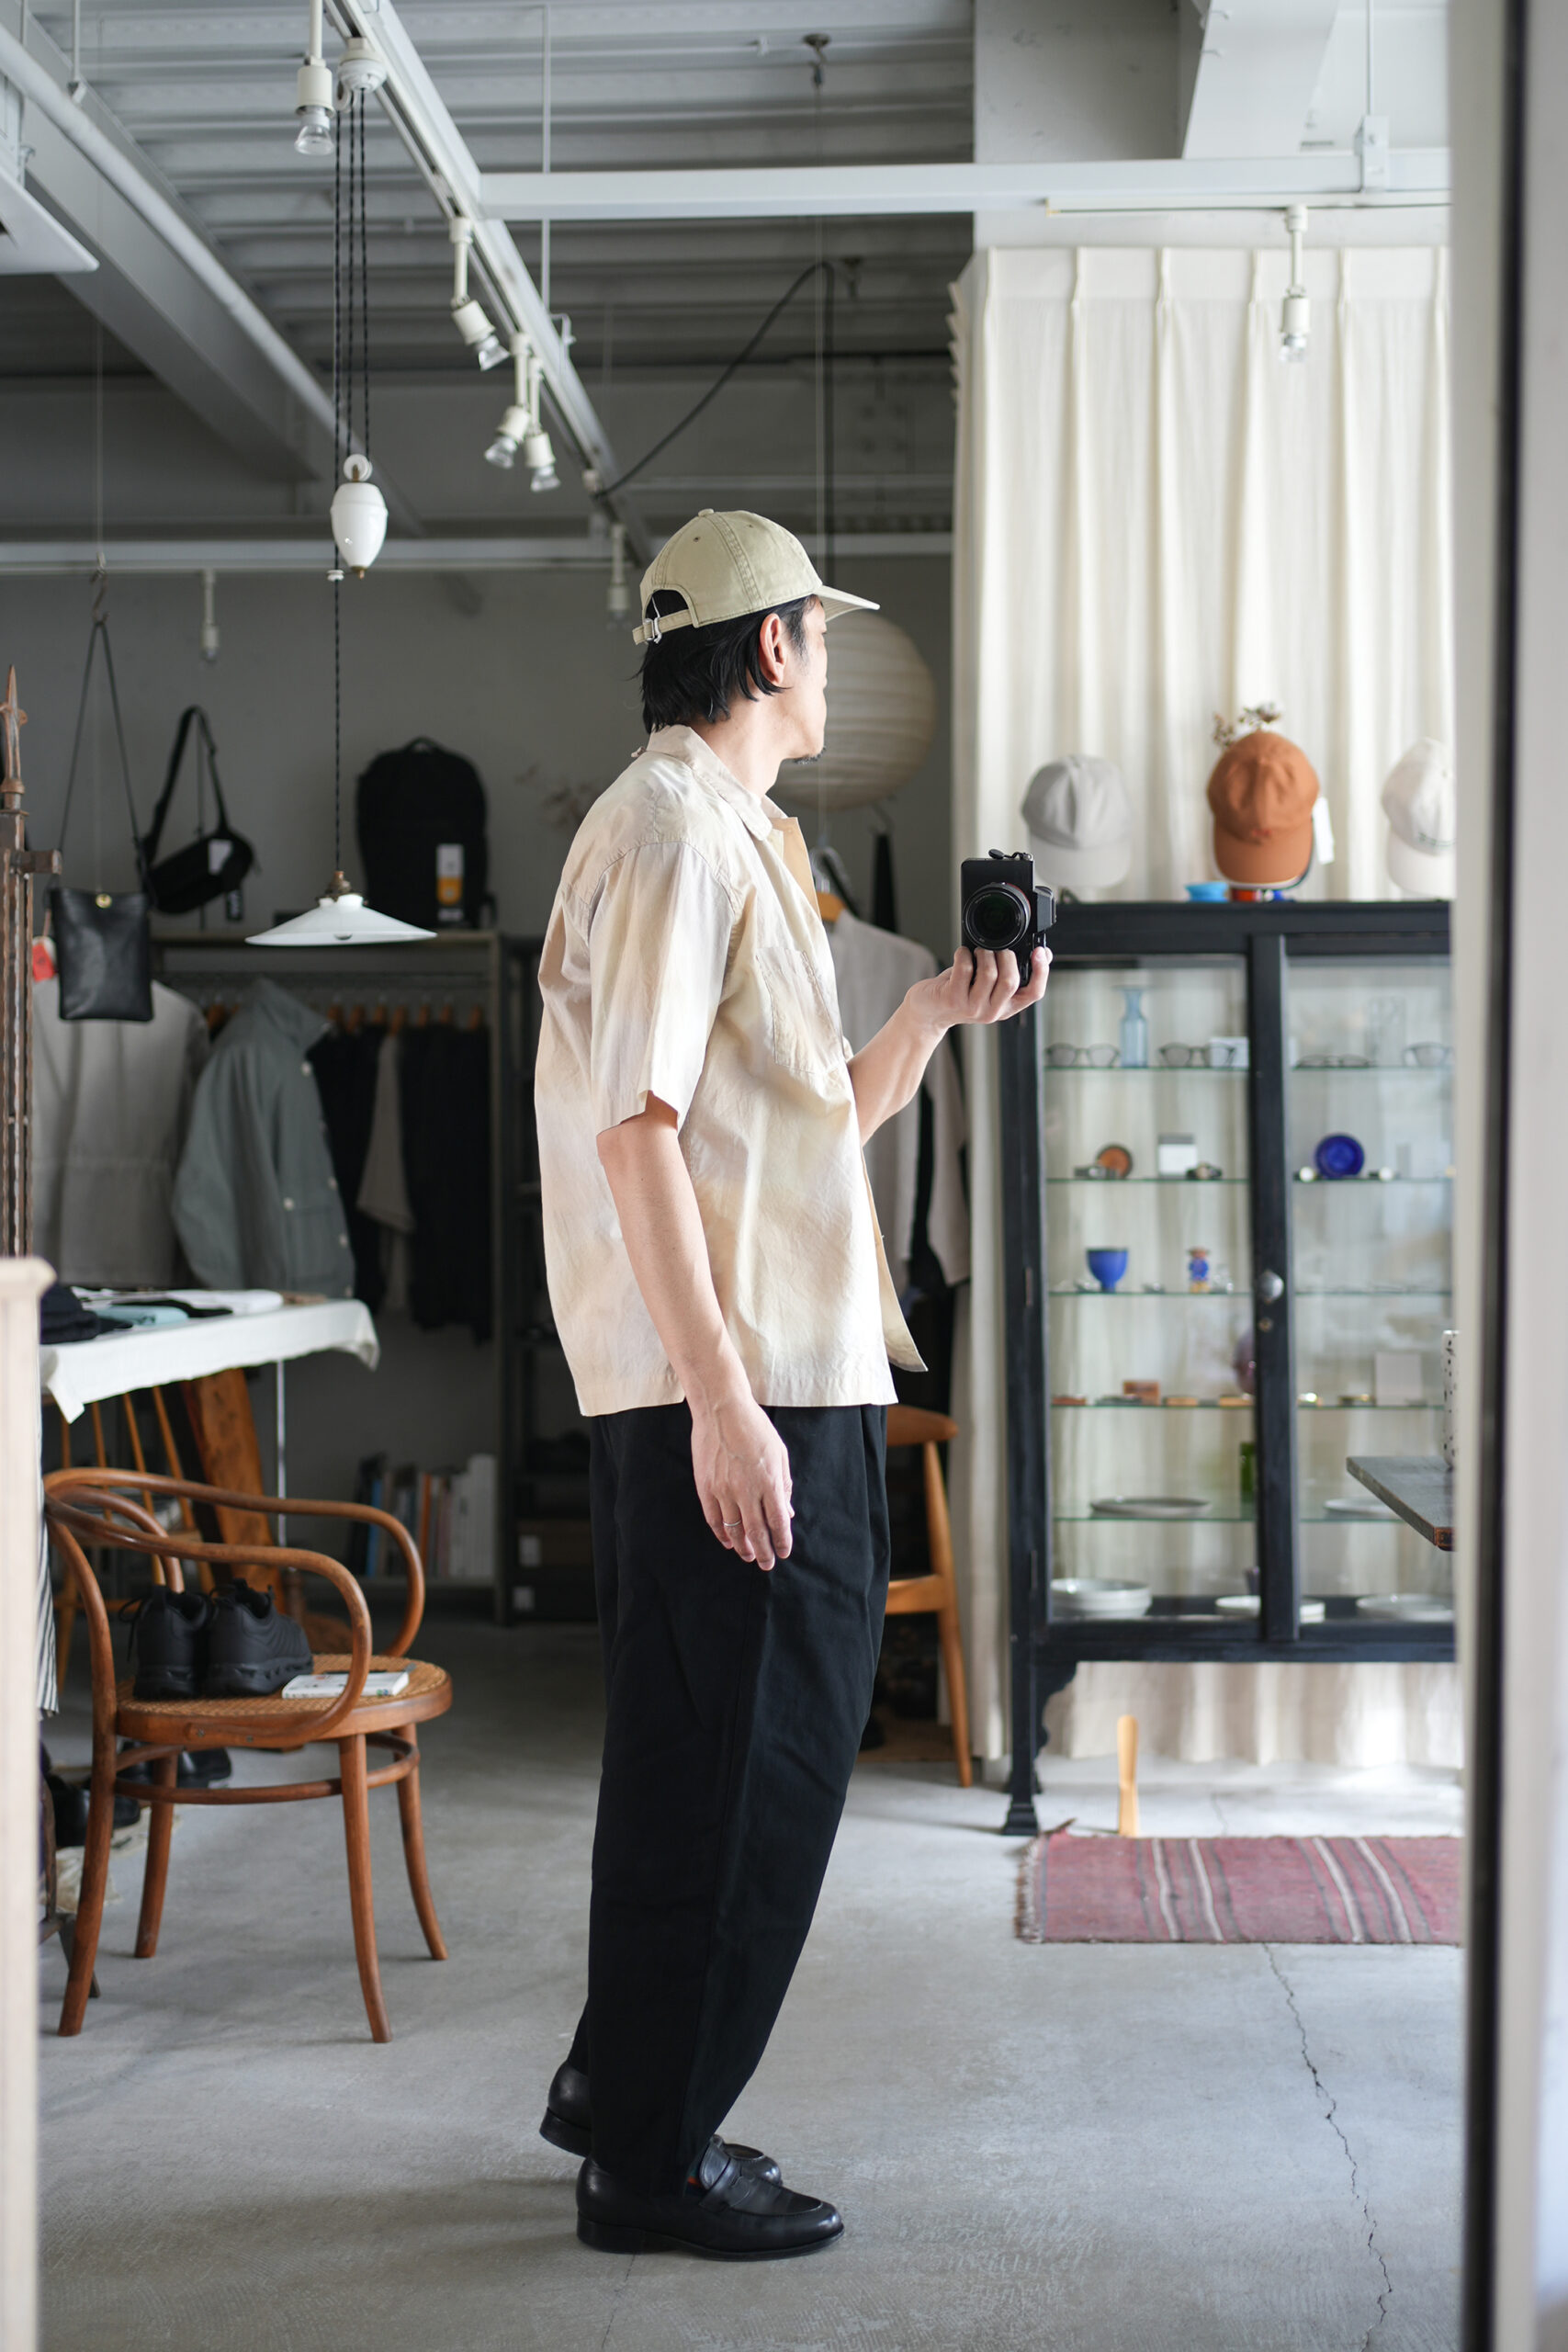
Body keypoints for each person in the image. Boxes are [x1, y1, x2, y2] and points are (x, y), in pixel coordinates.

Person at [534, 509, 1049, 2260]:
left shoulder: (726, 830)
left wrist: (936, 1018)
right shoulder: (676, 832)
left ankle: (626, 2096)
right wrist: (724, 1404)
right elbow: (637, 1130)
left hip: (743, 1370)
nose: (830, 660)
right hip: (739, 1380)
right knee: (757, 1775)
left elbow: (801, 1125)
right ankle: (657, 2164)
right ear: (772, 646)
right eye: (822, 635)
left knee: (700, 1764)